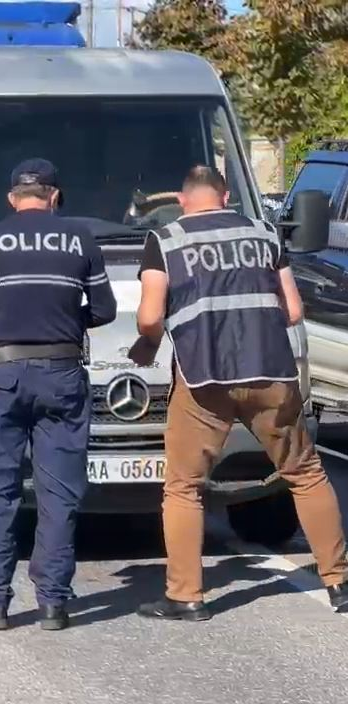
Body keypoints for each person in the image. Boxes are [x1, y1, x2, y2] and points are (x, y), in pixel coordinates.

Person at [131, 165, 348, 620]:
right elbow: (291, 309)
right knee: (305, 473)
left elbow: (150, 317)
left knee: (184, 486)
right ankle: (339, 582)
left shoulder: (166, 240)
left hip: (204, 378)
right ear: (225, 197)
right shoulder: (264, 233)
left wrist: (150, 341)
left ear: (184, 201)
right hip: (270, 371)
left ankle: (186, 595)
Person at [0, 158, 117, 632]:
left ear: (12, 198)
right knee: (60, 492)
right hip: (62, 374)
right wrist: (68, 323)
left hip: (3, 376)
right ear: (54, 195)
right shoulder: (80, 240)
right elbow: (104, 309)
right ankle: (53, 602)